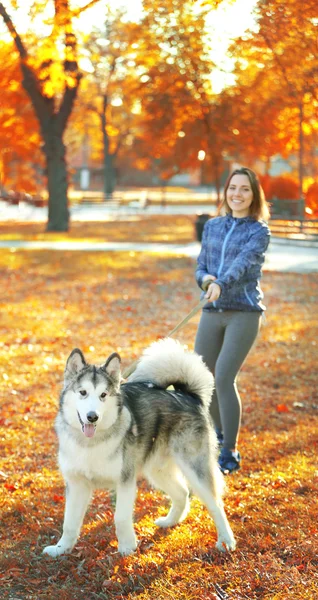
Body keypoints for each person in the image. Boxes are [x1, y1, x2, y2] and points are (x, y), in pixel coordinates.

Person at [194, 167, 271, 474]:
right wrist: (206, 280)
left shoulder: (258, 231)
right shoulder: (212, 226)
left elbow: (242, 265)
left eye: (245, 189)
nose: (237, 194)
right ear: (225, 192)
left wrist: (221, 283)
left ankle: (230, 451)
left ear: (254, 195)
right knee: (203, 378)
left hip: (244, 312)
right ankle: (216, 437)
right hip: (212, 311)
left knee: (224, 377)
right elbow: (200, 266)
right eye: (233, 188)